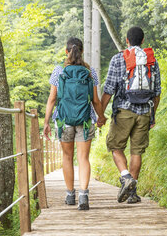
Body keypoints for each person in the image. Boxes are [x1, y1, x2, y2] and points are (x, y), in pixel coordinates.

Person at [43, 37, 107, 210]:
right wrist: (101, 117)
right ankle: (83, 196)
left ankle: (70, 195)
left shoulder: (59, 71)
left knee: (67, 157)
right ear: (82, 51)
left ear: (66, 51)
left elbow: (52, 98)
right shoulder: (90, 72)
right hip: (85, 120)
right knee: (83, 158)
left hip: (64, 120)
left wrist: (46, 122)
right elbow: (95, 100)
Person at [99, 27, 161, 204]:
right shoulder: (151, 60)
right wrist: (152, 115)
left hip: (124, 111)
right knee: (137, 151)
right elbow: (157, 92)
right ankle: (132, 194)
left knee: (115, 145)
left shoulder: (119, 58)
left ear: (127, 41)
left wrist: (100, 115)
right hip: (144, 112)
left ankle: (126, 177)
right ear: (143, 41)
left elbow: (109, 89)